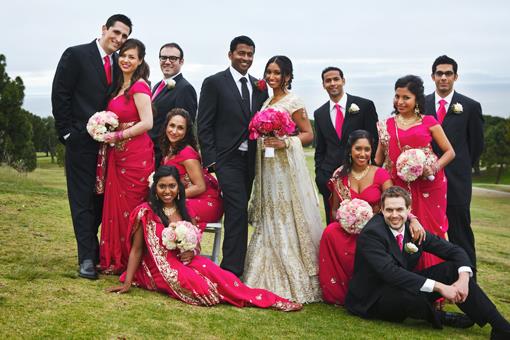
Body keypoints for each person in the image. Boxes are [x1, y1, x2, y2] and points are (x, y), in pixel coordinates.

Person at [106, 166, 302, 312]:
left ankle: (270, 300)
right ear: (155, 189)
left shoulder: (184, 210)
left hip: (185, 261)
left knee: (222, 276)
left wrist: (191, 252)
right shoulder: (145, 213)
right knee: (201, 289)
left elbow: (194, 242)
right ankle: (227, 295)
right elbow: (137, 250)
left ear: (179, 188)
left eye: (172, 186)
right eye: (162, 186)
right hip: (159, 268)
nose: (167, 191)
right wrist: (127, 282)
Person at [345, 186, 510, 339]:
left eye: (400, 209)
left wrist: (464, 279)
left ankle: (500, 327)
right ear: (381, 210)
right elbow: (390, 272)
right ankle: (441, 317)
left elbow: (455, 251)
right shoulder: (372, 233)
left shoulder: (414, 229)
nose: (394, 215)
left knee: (453, 269)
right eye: (389, 210)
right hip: (374, 297)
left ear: (409, 210)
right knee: (410, 297)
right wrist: (441, 287)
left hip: (402, 284)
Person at [51, 14, 132, 280]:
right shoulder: (75, 55)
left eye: (124, 37)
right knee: (81, 199)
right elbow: (60, 93)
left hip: (109, 147)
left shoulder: (120, 66)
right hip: (81, 143)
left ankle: (93, 249)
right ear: (104, 29)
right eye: (116, 33)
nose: (118, 40)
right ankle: (86, 258)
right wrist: (67, 134)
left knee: (100, 200)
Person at [243, 56, 323, 303]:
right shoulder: (267, 101)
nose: (272, 77)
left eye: (277, 73)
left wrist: (284, 142)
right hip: (267, 167)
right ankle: (261, 272)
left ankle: (293, 275)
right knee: (270, 213)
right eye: (269, 72)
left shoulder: (293, 101)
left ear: (287, 76)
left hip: (285, 168)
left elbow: (308, 134)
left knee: (286, 212)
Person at [319, 130, 424, 305]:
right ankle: (337, 293)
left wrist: (413, 219)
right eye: (358, 149)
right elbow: (334, 210)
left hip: (375, 228)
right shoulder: (340, 175)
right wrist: (347, 220)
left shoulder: (380, 174)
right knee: (330, 231)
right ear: (350, 150)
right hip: (347, 230)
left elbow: (394, 200)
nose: (362, 154)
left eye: (367, 149)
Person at [197, 36, 268, 277]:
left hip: (251, 162)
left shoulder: (260, 86)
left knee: (240, 211)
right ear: (230, 55)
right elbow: (204, 124)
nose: (245, 58)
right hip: (226, 160)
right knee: (237, 210)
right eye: (241, 53)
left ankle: (237, 264)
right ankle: (232, 270)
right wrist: (212, 161)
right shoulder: (214, 83)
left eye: (249, 54)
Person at [375, 75, 455, 271]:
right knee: (401, 228)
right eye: (397, 96)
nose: (400, 102)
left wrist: (433, 167)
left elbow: (450, 152)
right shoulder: (386, 125)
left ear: (417, 99)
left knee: (431, 230)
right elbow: (378, 160)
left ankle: (436, 281)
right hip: (398, 187)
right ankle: (407, 278)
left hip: (429, 185)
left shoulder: (428, 121)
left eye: (406, 97)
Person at [98, 39, 155, 274]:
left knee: (131, 207)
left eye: (132, 57)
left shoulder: (139, 86)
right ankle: (115, 258)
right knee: (114, 207)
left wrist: (119, 135)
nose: (126, 60)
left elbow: (148, 123)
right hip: (117, 155)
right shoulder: (119, 86)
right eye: (123, 55)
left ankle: (133, 261)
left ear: (140, 60)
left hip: (136, 156)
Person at [425, 55, 484, 274]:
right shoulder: (421, 104)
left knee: (460, 233)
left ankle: (469, 283)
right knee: (428, 232)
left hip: (457, 182)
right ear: (432, 76)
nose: (443, 78)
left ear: (455, 77)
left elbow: (476, 146)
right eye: (439, 73)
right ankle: (435, 280)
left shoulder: (470, 107)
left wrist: (460, 168)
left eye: (448, 73)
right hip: (426, 181)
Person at [314, 67, 379, 224]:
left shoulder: (364, 106)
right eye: (328, 80)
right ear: (323, 85)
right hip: (330, 178)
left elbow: (375, 141)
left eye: (336, 79)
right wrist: (320, 176)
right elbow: (320, 148)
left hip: (360, 177)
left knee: (364, 221)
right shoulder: (319, 113)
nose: (332, 83)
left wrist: (372, 171)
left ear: (343, 81)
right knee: (335, 223)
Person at [160, 108, 223, 228]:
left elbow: (200, 187)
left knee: (166, 210)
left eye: (180, 128)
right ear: (165, 126)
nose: (174, 131)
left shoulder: (186, 153)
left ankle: (182, 245)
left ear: (186, 132)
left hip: (205, 201)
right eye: (172, 125)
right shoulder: (169, 151)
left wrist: (172, 196)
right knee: (147, 210)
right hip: (184, 198)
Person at [149, 42, 197, 167]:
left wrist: (171, 157)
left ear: (181, 62)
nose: (167, 61)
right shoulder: (157, 86)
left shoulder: (185, 89)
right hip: (150, 152)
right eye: (163, 57)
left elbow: (184, 128)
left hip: (165, 156)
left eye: (173, 58)